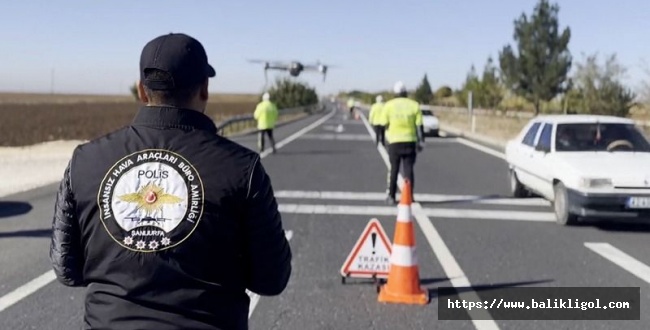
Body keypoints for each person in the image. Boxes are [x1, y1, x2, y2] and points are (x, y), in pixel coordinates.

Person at [49, 32, 292, 330]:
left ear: (141, 90)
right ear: (204, 89)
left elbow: (66, 269)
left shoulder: (84, 160)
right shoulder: (243, 167)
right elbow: (272, 278)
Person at [381, 81, 424, 205]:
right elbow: (419, 126)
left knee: (394, 169)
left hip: (394, 141)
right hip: (410, 141)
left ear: (395, 93)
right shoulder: (414, 105)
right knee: (408, 170)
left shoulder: (388, 106)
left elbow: (384, 124)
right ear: (406, 93)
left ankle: (391, 196)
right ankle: (409, 196)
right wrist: (421, 142)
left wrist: (384, 140)